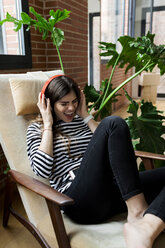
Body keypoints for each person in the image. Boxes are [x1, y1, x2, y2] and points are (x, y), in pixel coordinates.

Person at [27, 75, 165, 248]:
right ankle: (137, 212)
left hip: (112, 193)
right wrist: (48, 124)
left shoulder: (82, 121)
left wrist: (85, 116)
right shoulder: (36, 129)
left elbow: (111, 144)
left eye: (74, 101)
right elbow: (41, 170)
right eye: (64, 104)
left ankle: (147, 227)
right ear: (48, 103)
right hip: (78, 200)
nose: (71, 108)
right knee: (114, 122)